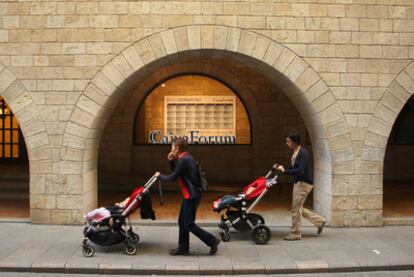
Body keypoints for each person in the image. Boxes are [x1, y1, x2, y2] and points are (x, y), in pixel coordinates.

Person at [155, 137, 220, 255]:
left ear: (177, 148)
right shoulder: (185, 158)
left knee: (188, 223)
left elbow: (172, 177)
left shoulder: (184, 160)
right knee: (182, 221)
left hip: (191, 196)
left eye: (172, 147)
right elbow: (178, 174)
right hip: (190, 195)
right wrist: (171, 161)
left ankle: (212, 241)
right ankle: (183, 248)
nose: (171, 149)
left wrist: (159, 176)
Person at [275, 130, 326, 241]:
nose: (287, 143)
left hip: (304, 183)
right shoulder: (295, 151)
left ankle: (295, 233)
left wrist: (285, 171)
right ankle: (320, 221)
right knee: (297, 207)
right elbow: (294, 167)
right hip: (298, 182)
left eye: (288, 141)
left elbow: (300, 170)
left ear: (294, 142)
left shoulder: (302, 153)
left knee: (296, 209)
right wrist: (283, 168)